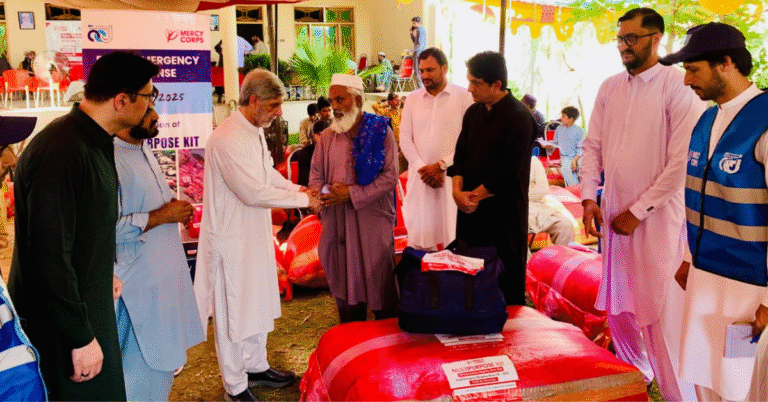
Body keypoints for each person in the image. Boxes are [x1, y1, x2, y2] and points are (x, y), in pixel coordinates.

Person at [8, 50, 159, 401]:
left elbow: (82, 231)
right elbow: (47, 253)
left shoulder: (94, 141)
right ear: (122, 100)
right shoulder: (61, 150)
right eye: (148, 96)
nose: (151, 106)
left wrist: (100, 271)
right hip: (62, 327)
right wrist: (78, 336)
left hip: (87, 304)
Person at [579, 8, 705, 401]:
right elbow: (592, 147)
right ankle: (637, 379)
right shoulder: (610, 87)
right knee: (620, 307)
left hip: (659, 219)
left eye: (631, 38)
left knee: (660, 310)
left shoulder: (677, 85)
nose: (623, 46)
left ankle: (677, 394)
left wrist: (639, 211)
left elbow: (682, 160)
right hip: (615, 218)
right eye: (620, 39)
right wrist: (587, 197)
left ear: (656, 38)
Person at [194, 69, 320, 402]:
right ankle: (235, 384)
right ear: (254, 101)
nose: (280, 111)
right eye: (275, 105)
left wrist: (298, 188)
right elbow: (251, 191)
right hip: (230, 240)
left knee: (258, 301)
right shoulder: (225, 137)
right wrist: (304, 199)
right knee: (233, 310)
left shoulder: (253, 131)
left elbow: (266, 175)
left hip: (255, 233)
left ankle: (256, 365)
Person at [659, 23, 768, 402]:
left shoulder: (765, 122)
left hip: (748, 292)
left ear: (725, 63)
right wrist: (690, 257)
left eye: (693, 69)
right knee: (707, 377)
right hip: (705, 280)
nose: (687, 80)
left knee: (741, 383)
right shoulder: (706, 121)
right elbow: (699, 197)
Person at [113, 106, 204, 400]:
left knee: (159, 376)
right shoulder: (109, 158)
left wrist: (172, 209)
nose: (156, 115)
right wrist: (162, 216)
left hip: (162, 284)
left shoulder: (143, 149)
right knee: (138, 380)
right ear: (124, 105)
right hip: (137, 290)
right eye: (148, 107)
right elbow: (104, 230)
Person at [448, 51, 536, 306]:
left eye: (475, 83)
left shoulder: (520, 117)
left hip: (503, 216)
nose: (469, 89)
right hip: (469, 211)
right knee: (470, 275)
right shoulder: (473, 112)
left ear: (496, 85)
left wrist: (470, 197)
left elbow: (507, 172)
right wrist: (457, 193)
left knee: (503, 285)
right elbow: (460, 155)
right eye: (469, 81)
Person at [309, 73, 398, 323]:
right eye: (331, 100)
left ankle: (390, 342)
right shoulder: (327, 137)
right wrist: (324, 194)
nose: (334, 106)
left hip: (371, 220)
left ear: (357, 99)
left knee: (378, 280)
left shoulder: (380, 131)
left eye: (340, 99)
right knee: (343, 281)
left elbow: (391, 176)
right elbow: (315, 175)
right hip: (337, 223)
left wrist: (351, 194)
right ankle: (351, 336)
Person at [399, 47, 473, 251]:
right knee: (420, 241)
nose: (424, 75)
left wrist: (441, 166)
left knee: (452, 240)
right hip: (421, 179)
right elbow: (404, 139)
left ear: (445, 68)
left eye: (430, 70)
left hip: (450, 179)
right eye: (421, 70)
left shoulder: (463, 96)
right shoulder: (413, 99)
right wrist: (423, 168)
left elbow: (467, 140)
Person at [529, 156, 574, 246]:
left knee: (566, 225)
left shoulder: (533, 160)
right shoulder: (500, 163)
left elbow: (543, 189)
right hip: (515, 209)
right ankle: (529, 260)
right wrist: (531, 186)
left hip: (540, 208)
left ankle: (562, 259)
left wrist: (521, 190)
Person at [372, 92, 408, 173]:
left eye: (398, 100)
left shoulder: (401, 111)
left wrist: (404, 101)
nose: (398, 102)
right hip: (393, 142)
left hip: (403, 141)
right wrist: (385, 103)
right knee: (393, 161)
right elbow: (374, 106)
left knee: (402, 161)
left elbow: (411, 108)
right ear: (390, 102)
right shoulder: (387, 112)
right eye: (395, 100)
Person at [551, 106, 584, 186]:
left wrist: (574, 160)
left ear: (571, 118)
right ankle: (576, 188)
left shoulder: (579, 130)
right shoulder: (559, 128)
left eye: (563, 116)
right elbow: (554, 144)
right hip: (565, 157)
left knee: (584, 167)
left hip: (578, 156)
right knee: (566, 168)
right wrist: (547, 145)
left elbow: (581, 148)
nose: (561, 118)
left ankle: (584, 186)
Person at [293, 119, 330, 187]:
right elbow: (304, 182)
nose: (323, 138)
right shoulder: (305, 153)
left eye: (327, 135)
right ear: (313, 135)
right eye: (319, 134)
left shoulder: (334, 152)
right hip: (311, 190)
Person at [410, 17, 427, 88]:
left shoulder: (420, 30)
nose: (413, 25)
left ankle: (421, 90)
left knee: (418, 73)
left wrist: (412, 51)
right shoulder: (419, 30)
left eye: (414, 23)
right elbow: (416, 42)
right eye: (413, 23)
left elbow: (419, 45)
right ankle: (420, 90)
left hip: (418, 54)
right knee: (418, 73)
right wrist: (411, 34)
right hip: (419, 53)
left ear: (419, 23)